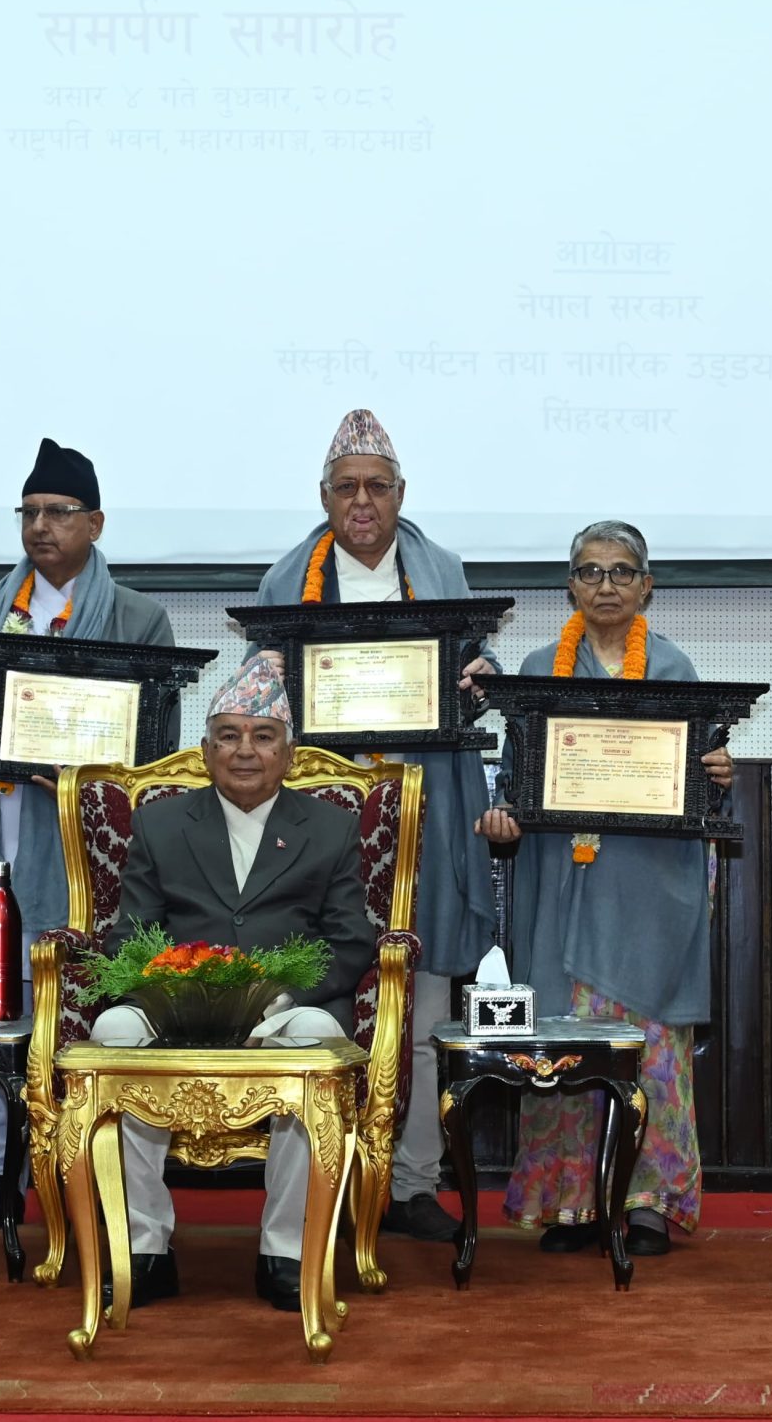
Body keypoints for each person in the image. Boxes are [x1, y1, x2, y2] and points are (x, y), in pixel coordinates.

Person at [249, 406, 493, 1243]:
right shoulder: (287, 582)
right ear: (324, 496)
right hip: (317, 827)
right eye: (347, 487)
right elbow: (251, 706)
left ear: (400, 494)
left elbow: (473, 673)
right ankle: (319, 1179)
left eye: (377, 487)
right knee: (307, 1007)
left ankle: (412, 1181)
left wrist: (480, 678)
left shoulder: (442, 573)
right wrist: (266, 678)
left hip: (422, 820)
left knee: (419, 1014)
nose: (363, 501)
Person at [0, 437, 179, 1236]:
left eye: (59, 512)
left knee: (80, 1006)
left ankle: (83, 1167)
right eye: (30, 512)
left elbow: (157, 747)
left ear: (94, 523)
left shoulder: (139, 616)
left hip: (77, 845)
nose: (41, 526)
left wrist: (88, 773)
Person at [90, 654, 379, 1311]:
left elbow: (350, 939)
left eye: (263, 736)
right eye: (229, 735)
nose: (245, 750)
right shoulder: (161, 822)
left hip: (284, 1006)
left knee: (317, 1044)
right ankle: (143, 1246)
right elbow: (130, 935)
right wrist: (176, 989)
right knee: (111, 1033)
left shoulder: (330, 827)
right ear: (205, 751)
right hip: (176, 1002)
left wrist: (280, 995)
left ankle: (286, 1250)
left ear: (289, 754)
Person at [476, 522, 733, 1255]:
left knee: (649, 1050)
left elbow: (698, 778)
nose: (607, 585)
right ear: (571, 586)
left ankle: (647, 1202)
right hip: (561, 877)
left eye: (622, 571)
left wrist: (718, 775)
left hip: (648, 884)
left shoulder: (674, 667)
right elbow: (517, 781)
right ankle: (573, 1204)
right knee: (564, 1043)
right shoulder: (538, 668)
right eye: (591, 572)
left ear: (646, 586)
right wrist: (502, 816)